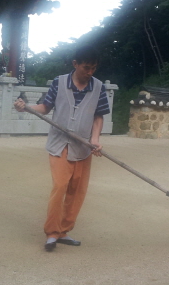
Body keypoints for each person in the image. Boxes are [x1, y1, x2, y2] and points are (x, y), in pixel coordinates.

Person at [13, 45, 111, 251]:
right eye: (86, 67)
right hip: (59, 144)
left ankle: (63, 231)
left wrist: (95, 139)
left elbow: (98, 116)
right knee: (60, 186)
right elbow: (45, 107)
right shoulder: (59, 82)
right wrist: (27, 108)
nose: (90, 72)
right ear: (75, 64)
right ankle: (51, 232)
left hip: (83, 146)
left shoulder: (99, 87)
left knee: (77, 190)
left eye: (93, 68)